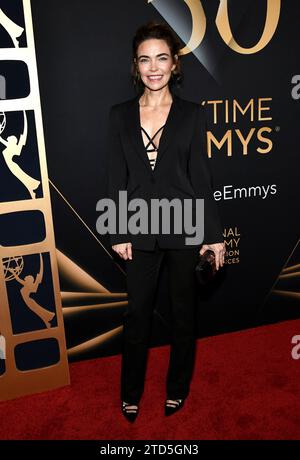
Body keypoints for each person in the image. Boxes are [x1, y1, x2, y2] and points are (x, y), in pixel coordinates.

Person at [107, 21, 225, 422]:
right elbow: (115, 176)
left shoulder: (191, 115)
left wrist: (213, 237)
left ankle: (177, 388)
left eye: (162, 58)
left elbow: (201, 179)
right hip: (137, 227)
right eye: (145, 59)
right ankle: (130, 392)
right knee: (136, 313)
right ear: (135, 66)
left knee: (183, 314)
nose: (153, 67)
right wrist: (119, 229)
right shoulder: (120, 115)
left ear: (175, 64)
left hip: (185, 225)